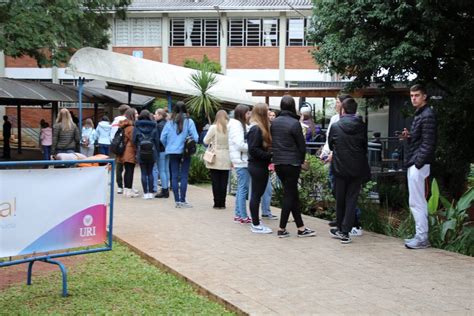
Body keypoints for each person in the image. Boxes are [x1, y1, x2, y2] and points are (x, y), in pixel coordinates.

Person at [271, 95, 316, 238]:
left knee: (292, 194)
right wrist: (301, 160)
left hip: (278, 163)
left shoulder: (275, 122)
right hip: (292, 163)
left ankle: (301, 228)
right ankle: (281, 228)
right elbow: (301, 146)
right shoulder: (294, 123)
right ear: (292, 107)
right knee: (289, 196)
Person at [328, 98, 370, 244]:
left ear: (343, 110)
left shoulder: (336, 126)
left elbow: (331, 145)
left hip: (339, 167)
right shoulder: (362, 126)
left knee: (340, 199)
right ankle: (345, 231)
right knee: (352, 199)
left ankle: (341, 228)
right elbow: (365, 146)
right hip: (357, 168)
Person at [402, 84, 437, 249]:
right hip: (417, 162)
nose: (413, 98)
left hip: (418, 164)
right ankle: (421, 236)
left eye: (416, 95)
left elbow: (429, 143)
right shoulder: (422, 114)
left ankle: (422, 238)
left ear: (424, 96)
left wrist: (418, 163)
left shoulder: (427, 115)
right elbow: (421, 140)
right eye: (411, 95)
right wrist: (409, 137)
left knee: (417, 201)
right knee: (416, 201)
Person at [160, 101, 199, 208]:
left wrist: (169, 145)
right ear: (186, 109)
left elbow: (162, 138)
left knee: (174, 176)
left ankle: (177, 201)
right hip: (185, 152)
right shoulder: (189, 121)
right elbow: (196, 138)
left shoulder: (170, 122)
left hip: (172, 152)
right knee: (184, 176)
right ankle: (183, 200)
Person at [247, 103, 273, 234]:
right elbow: (253, 149)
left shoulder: (258, 128)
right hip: (257, 165)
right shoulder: (256, 129)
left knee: (257, 194)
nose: (269, 113)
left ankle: (256, 222)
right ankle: (255, 224)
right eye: (267, 111)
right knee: (256, 195)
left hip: (259, 165)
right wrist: (269, 156)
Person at [228, 104, 252, 224]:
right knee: (243, 189)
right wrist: (252, 147)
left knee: (241, 188)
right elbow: (240, 144)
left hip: (240, 160)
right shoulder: (237, 126)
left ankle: (239, 214)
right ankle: (242, 215)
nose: (250, 115)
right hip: (241, 161)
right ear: (243, 114)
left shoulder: (238, 125)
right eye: (248, 113)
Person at [204, 110, 232, 209]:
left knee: (215, 181)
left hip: (215, 156)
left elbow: (205, 141)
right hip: (226, 156)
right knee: (224, 181)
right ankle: (223, 203)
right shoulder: (230, 128)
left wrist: (213, 141)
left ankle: (216, 203)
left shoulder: (213, 127)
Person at [133, 109, 158, 200]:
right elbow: (157, 140)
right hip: (152, 151)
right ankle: (151, 193)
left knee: (143, 172)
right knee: (150, 172)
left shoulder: (137, 126)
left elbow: (133, 140)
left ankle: (145, 193)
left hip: (141, 151)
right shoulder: (154, 126)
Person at [118, 108, 139, 198]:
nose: (137, 115)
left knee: (127, 171)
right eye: (136, 113)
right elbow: (134, 140)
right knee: (130, 171)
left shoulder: (124, 126)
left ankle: (126, 190)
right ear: (132, 115)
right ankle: (129, 190)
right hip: (129, 151)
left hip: (124, 151)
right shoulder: (131, 127)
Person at [261, 110, 278, 220]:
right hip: (263, 163)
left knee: (266, 189)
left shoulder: (267, 128)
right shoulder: (263, 129)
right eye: (269, 115)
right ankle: (265, 212)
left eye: (273, 115)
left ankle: (265, 211)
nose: (271, 117)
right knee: (266, 189)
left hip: (264, 162)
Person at [111, 104, 131, 194]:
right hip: (125, 146)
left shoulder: (114, 121)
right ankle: (127, 186)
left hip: (117, 146)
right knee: (128, 167)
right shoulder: (126, 121)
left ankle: (119, 186)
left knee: (119, 167)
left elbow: (112, 135)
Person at [154, 109, 170, 198]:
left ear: (160, 115)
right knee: (167, 170)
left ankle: (164, 190)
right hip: (168, 150)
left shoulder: (159, 125)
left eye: (156, 114)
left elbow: (159, 139)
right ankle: (167, 187)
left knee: (162, 170)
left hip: (161, 150)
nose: (154, 115)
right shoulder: (167, 124)